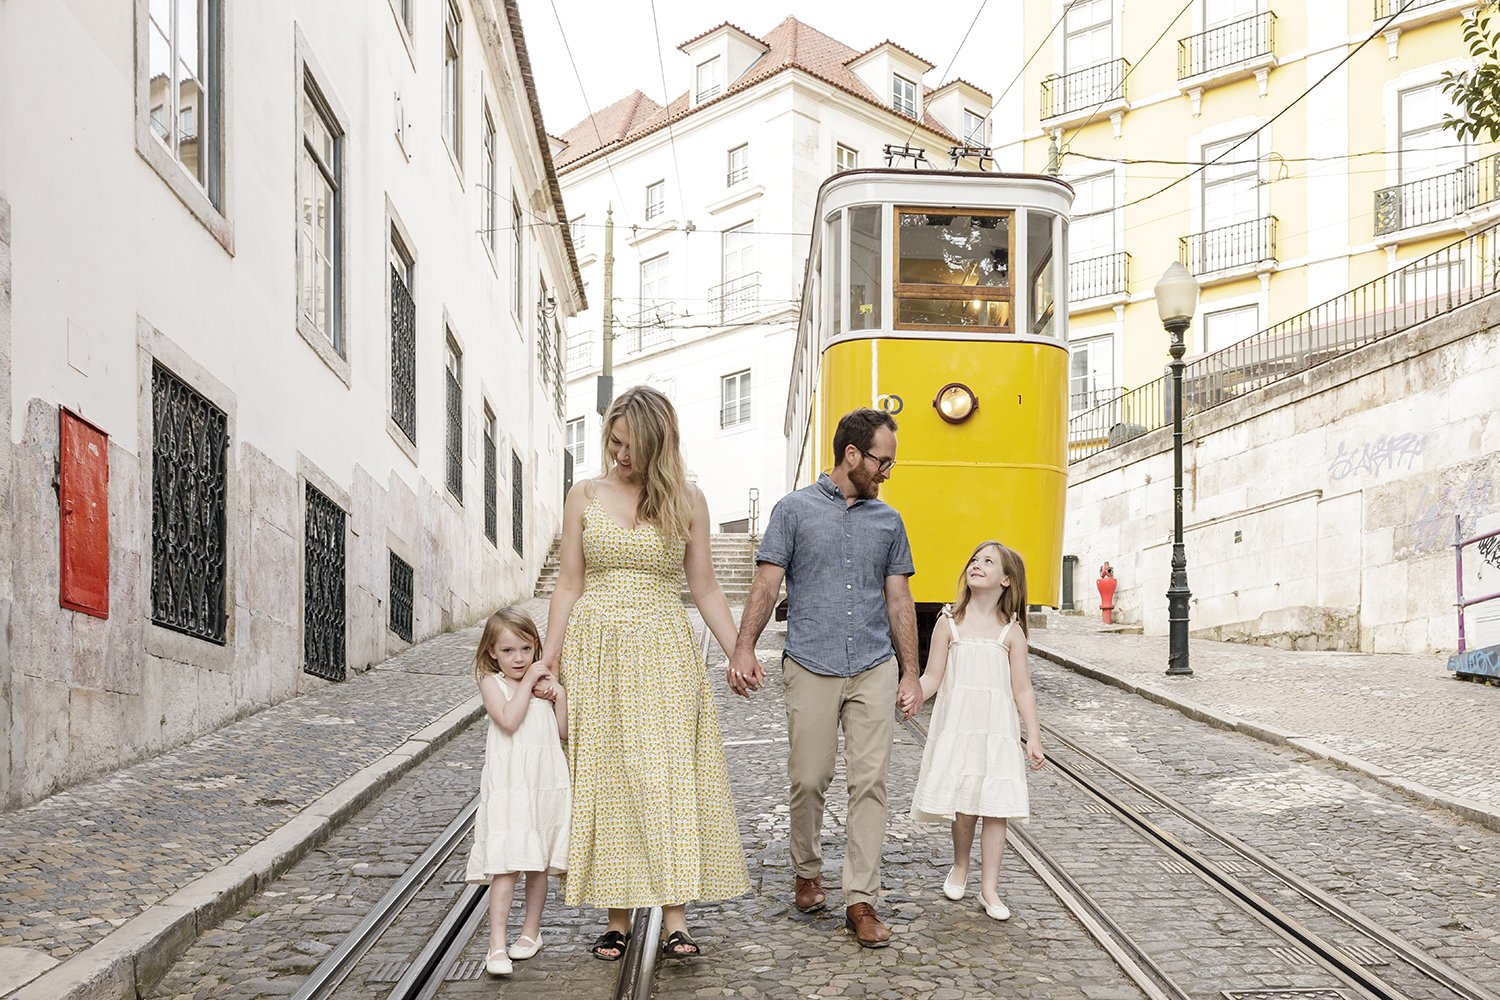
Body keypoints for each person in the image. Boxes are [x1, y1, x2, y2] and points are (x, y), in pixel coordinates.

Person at [539, 385, 749, 962]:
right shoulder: (583, 495)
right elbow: (568, 582)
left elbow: (704, 586)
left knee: (668, 775)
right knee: (607, 777)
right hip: (597, 650)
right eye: (613, 439)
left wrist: (738, 650)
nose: (618, 453)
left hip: (663, 648)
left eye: (630, 444)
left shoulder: (687, 499)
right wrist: (549, 657)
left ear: (659, 444)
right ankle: (617, 917)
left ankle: (675, 916)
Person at [727, 408, 922, 949]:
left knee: (871, 783)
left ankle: (861, 899)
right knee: (809, 777)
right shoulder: (793, 511)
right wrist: (743, 647)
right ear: (852, 455)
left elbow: (899, 598)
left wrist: (912, 673)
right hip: (810, 661)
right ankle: (807, 866)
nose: (888, 472)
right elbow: (767, 585)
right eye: (883, 461)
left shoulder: (890, 521)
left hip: (873, 666)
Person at [909, 541, 1045, 921]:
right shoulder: (948, 622)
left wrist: (1032, 735)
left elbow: (1022, 688)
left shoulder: (1011, 633)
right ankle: (960, 866)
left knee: (996, 810)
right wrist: (912, 694)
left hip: (997, 731)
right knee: (965, 807)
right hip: (959, 727)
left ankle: (989, 888)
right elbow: (933, 675)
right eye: (973, 559)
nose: (977, 565)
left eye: (988, 561)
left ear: (1006, 580)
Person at [464, 606, 570, 977]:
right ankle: (496, 945)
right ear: (492, 652)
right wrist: (529, 684)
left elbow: (563, 733)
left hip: (543, 784)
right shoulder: (492, 682)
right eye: (508, 651)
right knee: (506, 866)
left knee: (536, 864)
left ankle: (530, 933)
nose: (519, 658)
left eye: (526, 649)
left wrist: (558, 696)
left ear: (536, 646)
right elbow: (508, 720)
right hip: (511, 786)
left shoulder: (545, 685)